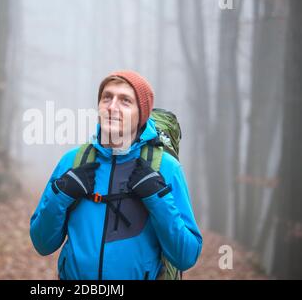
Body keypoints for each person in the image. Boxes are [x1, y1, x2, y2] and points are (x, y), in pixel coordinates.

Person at [30, 70, 202, 280]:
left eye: (125, 101)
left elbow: (186, 256)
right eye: (107, 98)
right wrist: (61, 195)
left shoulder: (166, 168)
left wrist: (157, 197)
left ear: (142, 115)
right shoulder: (73, 161)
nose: (112, 107)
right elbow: (42, 243)